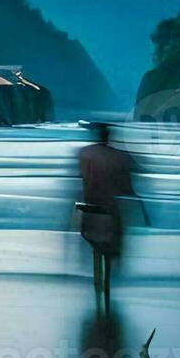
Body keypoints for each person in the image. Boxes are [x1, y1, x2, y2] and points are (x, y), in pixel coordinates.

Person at [78, 122, 136, 305]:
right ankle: (107, 289)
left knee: (96, 247)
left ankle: (98, 288)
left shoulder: (86, 155)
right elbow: (127, 186)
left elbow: (80, 181)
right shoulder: (119, 157)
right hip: (111, 210)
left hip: (91, 208)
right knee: (109, 250)